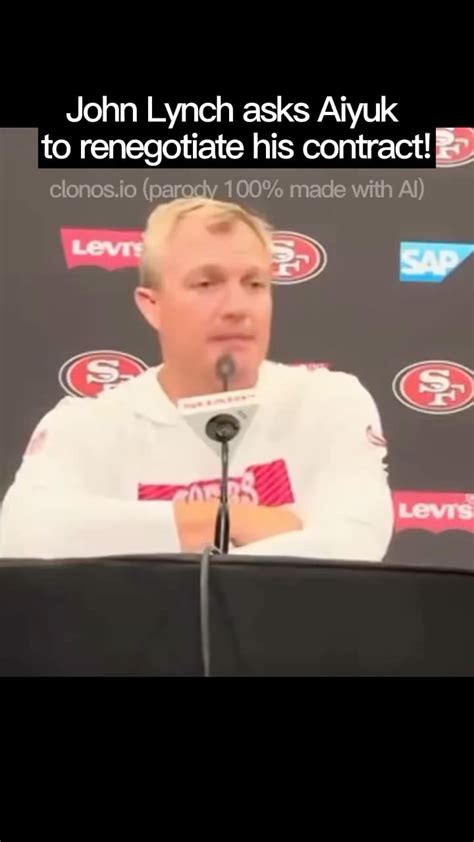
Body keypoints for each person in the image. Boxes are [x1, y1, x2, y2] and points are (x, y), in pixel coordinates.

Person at [0, 198, 394, 561]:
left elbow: (353, 544)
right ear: (152, 305)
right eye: (206, 284)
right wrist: (231, 520)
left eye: (254, 284)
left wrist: (144, 544)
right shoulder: (88, 423)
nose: (237, 307)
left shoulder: (329, 402)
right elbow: (23, 536)